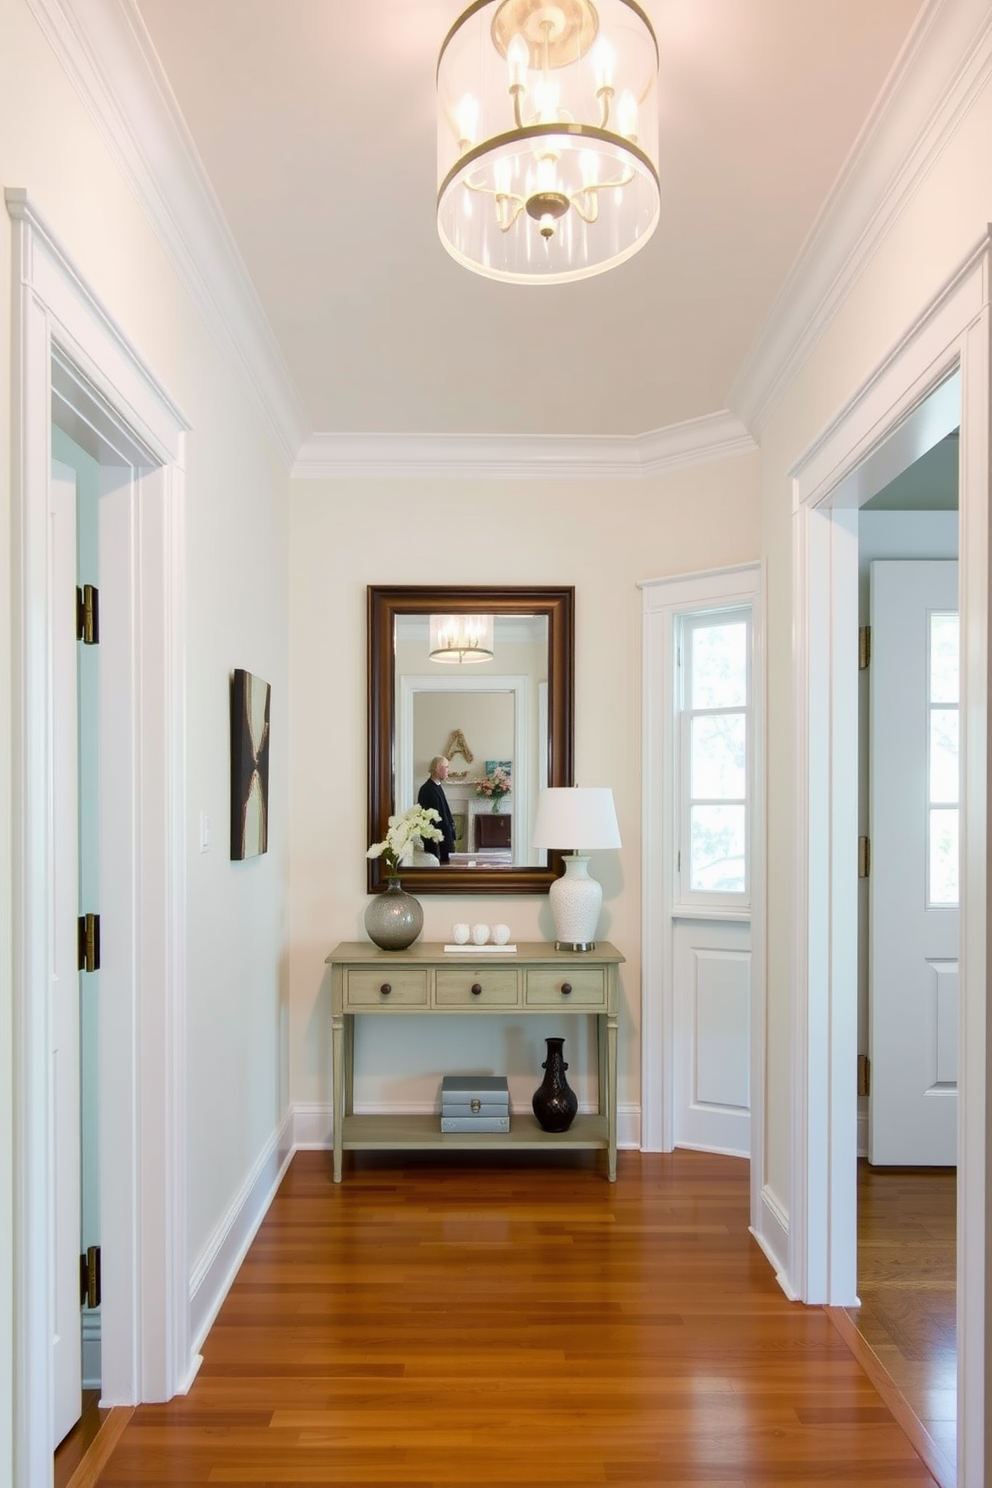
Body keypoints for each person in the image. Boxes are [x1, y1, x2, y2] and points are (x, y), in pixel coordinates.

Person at [418, 755, 457, 864]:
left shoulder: (437, 786)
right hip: (436, 841)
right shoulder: (426, 789)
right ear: (437, 768)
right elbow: (428, 818)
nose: (448, 770)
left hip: (444, 837)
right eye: (446, 767)